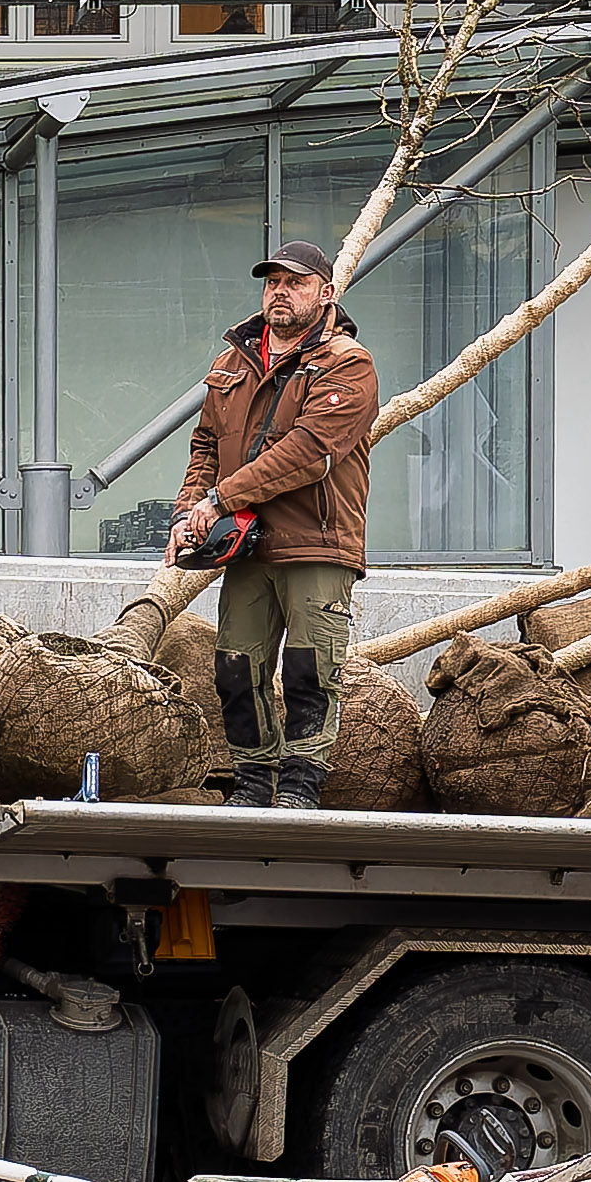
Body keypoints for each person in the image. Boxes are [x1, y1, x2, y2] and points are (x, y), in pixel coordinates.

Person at [177, 237, 382, 810]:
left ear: (326, 293)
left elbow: (308, 450)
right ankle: (254, 781)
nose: (280, 293)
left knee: (310, 670)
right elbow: (206, 444)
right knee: (235, 669)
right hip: (246, 546)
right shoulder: (232, 363)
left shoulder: (348, 364)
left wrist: (219, 500)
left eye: (294, 282)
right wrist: (187, 514)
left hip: (317, 542)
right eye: (272, 283)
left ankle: (301, 784)